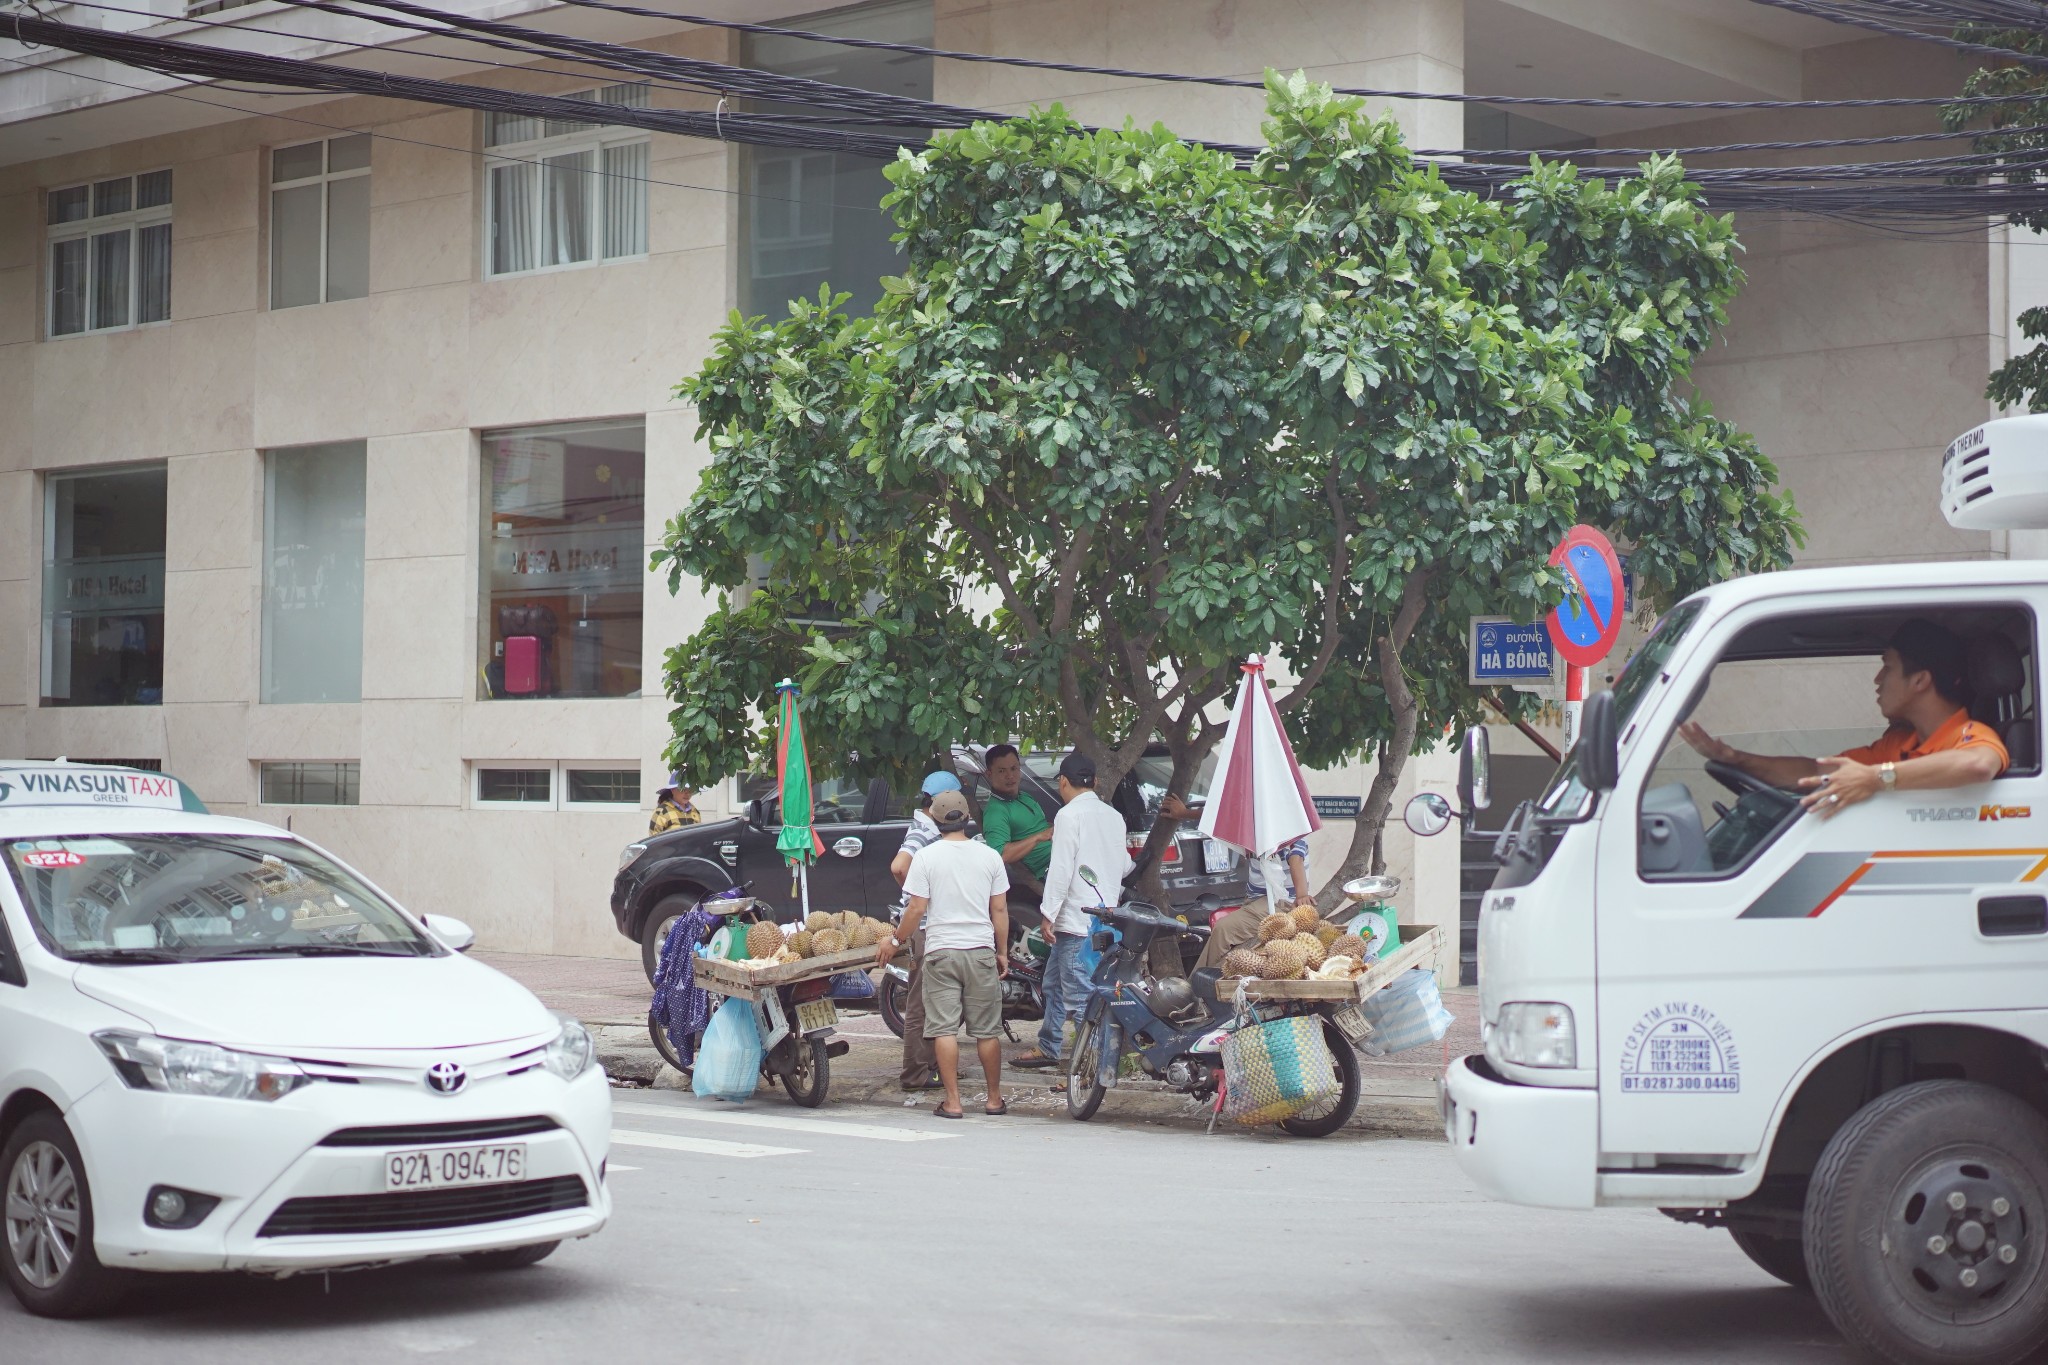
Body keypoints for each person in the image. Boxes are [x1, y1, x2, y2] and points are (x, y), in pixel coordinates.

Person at [1680, 618, 2008, 818]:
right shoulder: (1898, 744)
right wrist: (1734, 758)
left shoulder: (1970, 733)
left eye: (1888, 667)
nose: (1877, 680)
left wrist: (1875, 779)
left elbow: (1977, 766)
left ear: (1920, 680)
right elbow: (1816, 772)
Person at [877, 791, 1009, 1119]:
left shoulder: (927, 857)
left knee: (944, 1030)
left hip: (941, 953)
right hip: (980, 951)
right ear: (967, 818)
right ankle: (994, 1100)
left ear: (935, 821)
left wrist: (894, 940)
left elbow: (916, 909)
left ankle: (953, 1102)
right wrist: (1002, 952)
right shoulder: (989, 855)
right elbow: (1000, 908)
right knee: (987, 1030)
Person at [1011, 752, 1130, 1073]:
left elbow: (1061, 869)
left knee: (1081, 1000)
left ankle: (1085, 1071)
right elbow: (1124, 866)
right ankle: (1049, 1045)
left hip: (1076, 921)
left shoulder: (1068, 816)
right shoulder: (1113, 816)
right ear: (1095, 782)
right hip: (1105, 919)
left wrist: (1048, 913)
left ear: (1063, 781)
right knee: (1053, 985)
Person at [890, 770, 962, 1092]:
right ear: (935, 801)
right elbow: (898, 867)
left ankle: (935, 1068)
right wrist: (917, 896)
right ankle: (914, 1075)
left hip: (933, 923)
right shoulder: (923, 828)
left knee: (937, 1003)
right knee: (919, 1003)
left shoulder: (934, 826)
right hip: (922, 925)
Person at [979, 743, 1053, 901]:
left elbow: (1041, 827)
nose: (1010, 776)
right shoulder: (996, 811)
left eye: (1014, 769)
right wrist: (1039, 837)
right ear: (989, 774)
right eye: (1002, 771)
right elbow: (1000, 854)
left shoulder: (1024, 796)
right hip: (1049, 870)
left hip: (1064, 856)